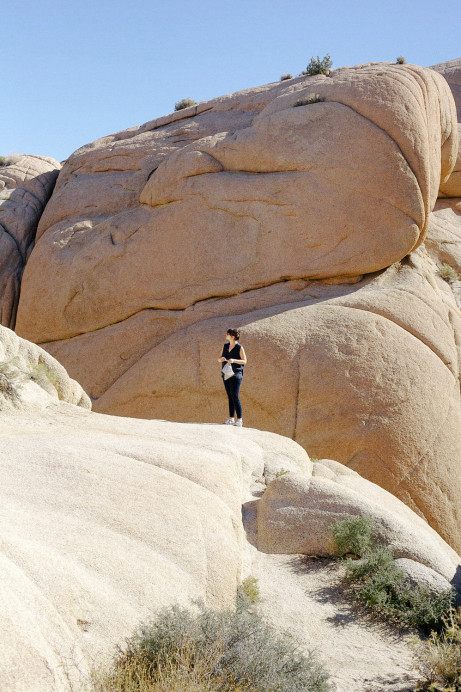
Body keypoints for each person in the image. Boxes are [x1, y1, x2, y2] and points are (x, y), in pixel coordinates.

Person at [218, 328, 247, 426]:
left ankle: (239, 420)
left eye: (227, 334)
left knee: (235, 396)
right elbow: (218, 358)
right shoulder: (225, 346)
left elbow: (244, 361)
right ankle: (231, 418)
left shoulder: (239, 347)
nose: (226, 335)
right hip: (226, 373)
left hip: (236, 374)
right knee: (230, 396)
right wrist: (221, 359)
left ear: (232, 336)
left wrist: (234, 360)